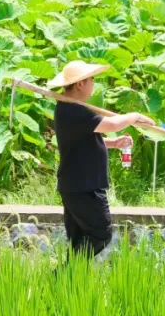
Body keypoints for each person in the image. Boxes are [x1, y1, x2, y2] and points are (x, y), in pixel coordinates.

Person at [48, 60, 153, 259]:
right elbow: (112, 124)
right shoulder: (74, 111)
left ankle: (67, 282)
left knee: (79, 240)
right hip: (84, 187)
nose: (93, 84)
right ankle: (61, 276)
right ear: (80, 84)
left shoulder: (68, 109)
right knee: (101, 234)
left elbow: (83, 142)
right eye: (92, 80)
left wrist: (113, 143)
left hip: (76, 185)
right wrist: (133, 116)